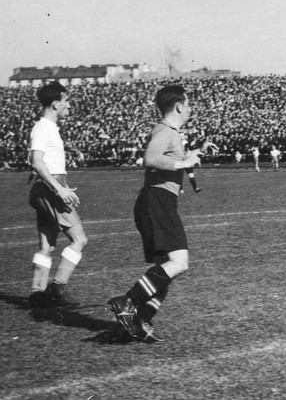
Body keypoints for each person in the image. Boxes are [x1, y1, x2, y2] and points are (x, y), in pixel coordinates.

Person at [107, 84, 203, 343]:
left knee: (165, 269)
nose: (191, 108)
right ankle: (128, 302)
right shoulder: (165, 131)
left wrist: (191, 154)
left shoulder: (169, 132)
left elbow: (169, 159)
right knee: (179, 263)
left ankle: (139, 319)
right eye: (189, 103)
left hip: (156, 201)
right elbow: (151, 157)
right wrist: (183, 162)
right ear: (179, 106)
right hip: (156, 201)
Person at [27, 81, 88, 308]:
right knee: (79, 239)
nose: (69, 105)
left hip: (45, 188)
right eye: (66, 101)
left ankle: (37, 293)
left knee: (47, 246)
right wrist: (59, 189)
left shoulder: (46, 128)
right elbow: (37, 162)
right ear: (55, 104)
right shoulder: (43, 128)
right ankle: (55, 291)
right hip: (50, 189)